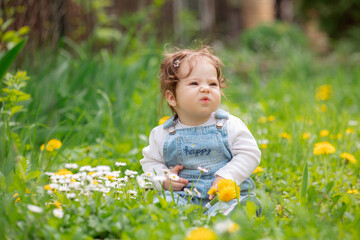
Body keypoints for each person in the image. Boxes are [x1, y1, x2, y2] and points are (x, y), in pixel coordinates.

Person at [140, 46, 261, 216]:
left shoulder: (229, 125)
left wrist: (228, 176)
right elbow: (150, 163)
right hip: (182, 196)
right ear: (172, 97)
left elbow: (250, 154)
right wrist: (163, 178)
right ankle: (179, 216)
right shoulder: (163, 133)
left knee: (237, 205)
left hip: (223, 196)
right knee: (162, 206)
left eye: (212, 83)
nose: (206, 88)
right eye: (194, 83)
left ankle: (228, 214)